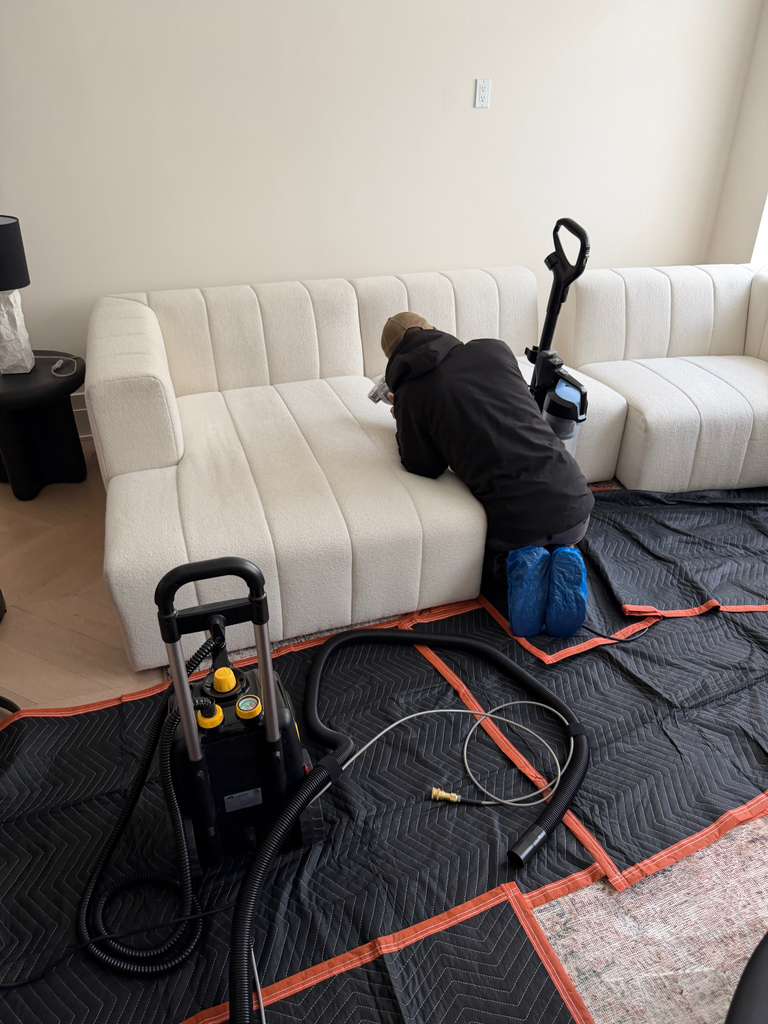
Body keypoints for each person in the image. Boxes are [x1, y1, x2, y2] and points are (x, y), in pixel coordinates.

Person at [380, 312, 593, 637]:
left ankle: (521, 569)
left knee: (500, 560)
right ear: (433, 329)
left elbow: (422, 466)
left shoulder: (413, 393)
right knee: (556, 532)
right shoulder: (494, 349)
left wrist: (404, 414)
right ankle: (565, 552)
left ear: (395, 359)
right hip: (575, 501)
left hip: (517, 526)